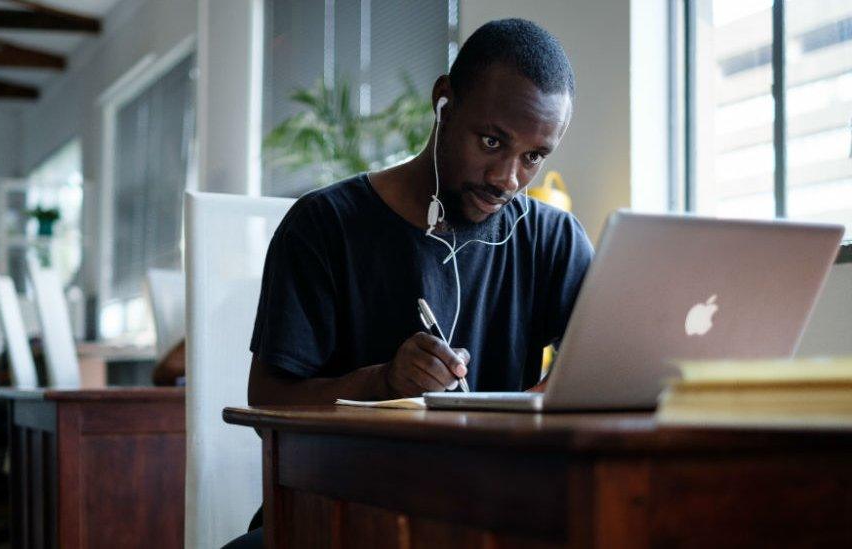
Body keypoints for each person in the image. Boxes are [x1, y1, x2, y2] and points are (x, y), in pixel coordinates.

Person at [226, 18, 594, 548]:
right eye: (492, 141)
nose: (507, 178)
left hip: (486, 512)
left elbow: (607, 373)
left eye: (534, 156)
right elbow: (266, 406)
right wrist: (383, 385)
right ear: (444, 100)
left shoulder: (554, 239)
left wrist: (545, 401)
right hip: (341, 509)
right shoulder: (323, 226)